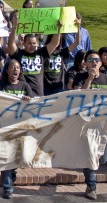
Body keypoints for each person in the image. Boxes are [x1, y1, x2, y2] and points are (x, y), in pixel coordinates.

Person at [0, 59, 33, 199]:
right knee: (6, 156)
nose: (15, 70)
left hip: (20, 128)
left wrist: (28, 101)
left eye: (18, 67)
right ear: (7, 70)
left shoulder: (25, 86)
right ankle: (7, 188)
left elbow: (34, 103)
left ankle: (12, 173)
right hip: (3, 127)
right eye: (12, 67)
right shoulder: (0, 85)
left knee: (16, 155)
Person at [73, 50, 106, 200]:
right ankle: (91, 186)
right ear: (85, 63)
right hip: (87, 125)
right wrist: (90, 79)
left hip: (103, 125)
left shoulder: (106, 78)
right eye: (91, 59)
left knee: (102, 158)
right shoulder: (79, 78)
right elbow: (77, 98)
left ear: (100, 63)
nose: (94, 62)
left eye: (96, 60)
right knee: (89, 155)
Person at [7, 13, 61, 97]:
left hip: (38, 94)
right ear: (24, 43)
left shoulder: (41, 53)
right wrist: (14, 27)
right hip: (22, 94)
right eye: (29, 43)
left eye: (34, 43)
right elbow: (10, 44)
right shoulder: (19, 53)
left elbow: (54, 43)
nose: (32, 45)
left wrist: (58, 29)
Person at [43, 19, 80, 95]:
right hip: (45, 86)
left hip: (58, 86)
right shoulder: (43, 51)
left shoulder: (62, 52)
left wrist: (78, 28)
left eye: (60, 39)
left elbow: (77, 43)